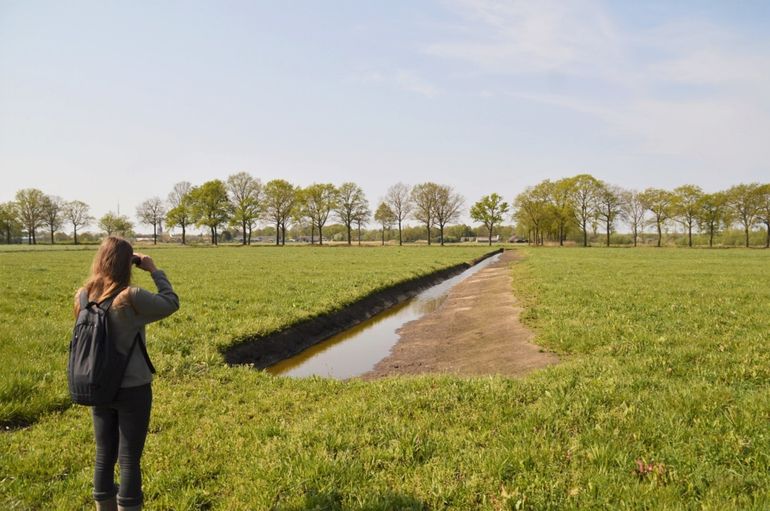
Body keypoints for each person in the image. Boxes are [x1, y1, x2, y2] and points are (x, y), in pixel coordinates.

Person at [74, 236, 179, 511]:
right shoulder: (130, 296)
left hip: (96, 384)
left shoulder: (83, 295)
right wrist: (155, 270)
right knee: (129, 457)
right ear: (128, 263)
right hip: (132, 387)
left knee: (103, 454)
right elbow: (171, 303)